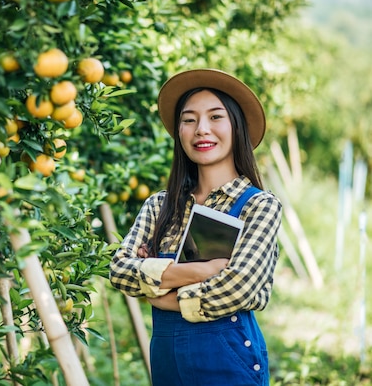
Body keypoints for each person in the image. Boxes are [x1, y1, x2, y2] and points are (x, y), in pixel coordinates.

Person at [109, 69, 282, 386]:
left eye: (216, 117)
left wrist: (161, 294)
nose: (202, 130)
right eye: (189, 120)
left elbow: (239, 286)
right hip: (167, 364)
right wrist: (203, 271)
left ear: (236, 127)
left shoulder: (260, 206)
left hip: (228, 363)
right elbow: (120, 271)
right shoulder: (160, 206)